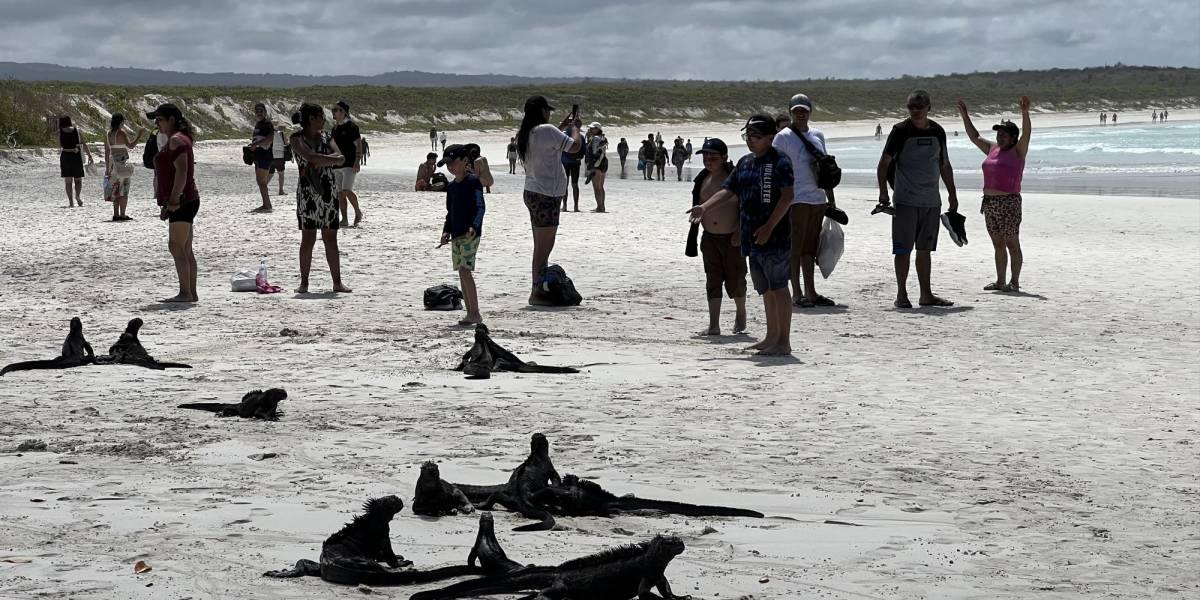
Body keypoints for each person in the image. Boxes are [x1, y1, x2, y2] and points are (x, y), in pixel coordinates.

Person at [687, 115, 794, 355]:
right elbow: (727, 190)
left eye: (756, 137)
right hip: (751, 239)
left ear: (770, 137)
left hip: (775, 237)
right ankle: (770, 337)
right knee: (765, 289)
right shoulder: (746, 163)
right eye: (748, 136)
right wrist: (704, 207)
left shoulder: (780, 161)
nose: (750, 141)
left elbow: (788, 196)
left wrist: (768, 227)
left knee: (779, 287)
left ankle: (783, 341)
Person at [876, 90, 958, 309]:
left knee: (925, 250)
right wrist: (883, 192)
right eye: (911, 107)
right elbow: (883, 164)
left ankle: (926, 295)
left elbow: (944, 165)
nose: (915, 110)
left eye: (919, 106)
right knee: (903, 249)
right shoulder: (900, 131)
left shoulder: (938, 131)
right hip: (906, 200)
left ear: (929, 107)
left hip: (932, 201)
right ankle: (901, 294)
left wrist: (952, 193)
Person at [958, 96, 1032, 292]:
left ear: (1013, 138)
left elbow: (1027, 134)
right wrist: (965, 116)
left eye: (1004, 134)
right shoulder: (992, 149)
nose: (999, 137)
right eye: (998, 133)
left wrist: (1025, 113)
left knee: (1012, 243)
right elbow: (974, 137)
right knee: (998, 243)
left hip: (1009, 202)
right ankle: (1000, 282)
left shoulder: (1018, 151)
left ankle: (1014, 282)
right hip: (990, 203)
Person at [772, 93, 837, 307]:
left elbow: (825, 168)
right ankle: (796, 293)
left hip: (816, 198)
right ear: (791, 112)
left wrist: (831, 200)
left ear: (810, 112)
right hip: (796, 198)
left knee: (810, 247)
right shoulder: (783, 137)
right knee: (795, 248)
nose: (801, 114)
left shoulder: (817, 135)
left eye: (804, 110)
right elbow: (775, 169)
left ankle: (811, 291)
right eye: (797, 110)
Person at [516, 95, 582, 305]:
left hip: (533, 191)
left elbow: (546, 143)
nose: (550, 113)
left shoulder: (526, 133)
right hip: (547, 194)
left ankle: (540, 289)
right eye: (548, 110)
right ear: (542, 111)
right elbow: (574, 147)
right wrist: (576, 129)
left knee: (540, 245)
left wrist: (561, 126)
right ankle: (536, 292)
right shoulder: (546, 131)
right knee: (544, 248)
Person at [685, 138, 746, 336]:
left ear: (724, 158)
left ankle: (741, 311)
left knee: (736, 279)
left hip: (732, 237)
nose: (708, 159)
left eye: (713, 156)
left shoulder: (734, 178)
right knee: (713, 280)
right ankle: (714, 325)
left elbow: (745, 207)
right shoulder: (702, 178)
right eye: (705, 155)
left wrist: (739, 230)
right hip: (709, 238)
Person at [290, 103, 351, 294]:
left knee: (331, 238)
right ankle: (304, 283)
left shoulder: (326, 137)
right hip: (308, 193)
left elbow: (341, 158)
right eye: (321, 117)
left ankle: (337, 282)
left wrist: (320, 160)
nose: (324, 120)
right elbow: (308, 156)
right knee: (308, 238)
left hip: (328, 191)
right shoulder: (295, 138)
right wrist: (327, 159)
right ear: (311, 119)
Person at [147, 103, 200, 303]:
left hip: (183, 200)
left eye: (159, 119)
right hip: (187, 199)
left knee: (176, 247)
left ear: (170, 120)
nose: (157, 123)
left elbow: (182, 171)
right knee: (185, 248)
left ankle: (185, 293)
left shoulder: (177, 140)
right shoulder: (178, 139)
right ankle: (191, 292)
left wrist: (174, 200)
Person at [437, 144, 486, 326]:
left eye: (453, 162)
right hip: (456, 234)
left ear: (465, 161)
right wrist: (445, 231)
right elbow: (450, 213)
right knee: (461, 272)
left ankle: (475, 313)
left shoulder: (473, 182)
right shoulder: (451, 187)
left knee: (465, 271)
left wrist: (474, 226)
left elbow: (481, 207)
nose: (450, 167)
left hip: (470, 234)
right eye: (447, 164)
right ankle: (471, 313)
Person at [104, 113, 144, 221]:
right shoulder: (121, 133)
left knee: (115, 189)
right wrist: (139, 135)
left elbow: (107, 151)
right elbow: (130, 146)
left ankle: (116, 214)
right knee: (124, 190)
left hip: (113, 164)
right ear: (121, 122)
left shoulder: (108, 133)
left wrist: (107, 168)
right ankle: (122, 214)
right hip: (122, 163)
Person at [331, 100, 364, 227]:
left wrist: (357, 161)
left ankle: (357, 212)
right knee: (339, 193)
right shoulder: (334, 128)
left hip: (349, 163)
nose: (334, 112)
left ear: (344, 112)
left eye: (337, 110)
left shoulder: (352, 127)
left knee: (346, 190)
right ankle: (344, 218)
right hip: (336, 164)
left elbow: (358, 145)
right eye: (334, 110)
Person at [58, 116, 92, 207]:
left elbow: (61, 145)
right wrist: (89, 155)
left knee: (68, 181)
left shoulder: (60, 131)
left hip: (65, 156)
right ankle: (77, 196)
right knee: (78, 180)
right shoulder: (77, 130)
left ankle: (70, 202)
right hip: (76, 157)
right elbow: (84, 143)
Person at [247, 102, 274, 212]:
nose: (259, 113)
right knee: (260, 182)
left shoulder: (267, 123)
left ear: (265, 112)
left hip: (265, 155)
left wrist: (256, 144)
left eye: (261, 111)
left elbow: (270, 138)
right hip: (258, 156)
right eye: (257, 111)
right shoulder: (258, 124)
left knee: (262, 182)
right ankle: (266, 204)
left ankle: (267, 206)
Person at [584, 122, 608, 212]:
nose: (590, 129)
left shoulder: (595, 138)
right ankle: (602, 206)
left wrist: (591, 166)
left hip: (596, 164)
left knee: (596, 187)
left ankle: (599, 207)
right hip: (603, 163)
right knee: (601, 187)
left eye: (592, 128)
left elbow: (594, 152)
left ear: (597, 129)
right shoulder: (603, 137)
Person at [560, 132, 584, 212]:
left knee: (565, 185)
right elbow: (584, 150)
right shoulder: (580, 136)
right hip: (575, 163)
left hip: (565, 162)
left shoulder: (563, 135)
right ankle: (575, 207)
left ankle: (565, 206)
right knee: (574, 184)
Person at [268, 124, 287, 196]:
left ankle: (264, 186)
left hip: (271, 156)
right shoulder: (282, 134)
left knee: (270, 173)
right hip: (280, 156)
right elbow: (286, 143)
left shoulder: (269, 134)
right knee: (281, 174)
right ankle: (281, 190)